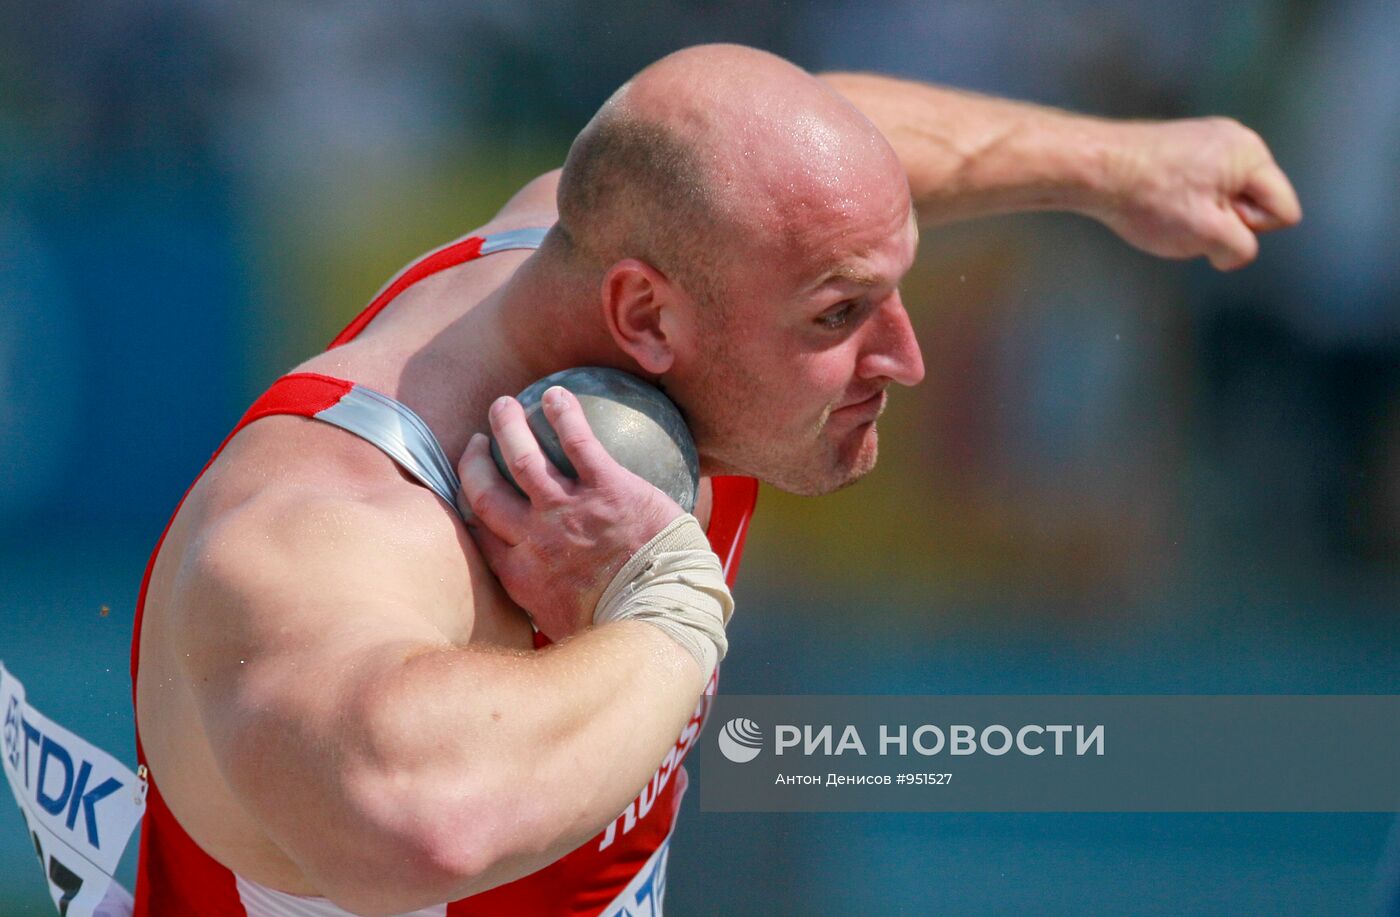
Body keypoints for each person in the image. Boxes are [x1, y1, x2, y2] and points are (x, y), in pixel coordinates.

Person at [130, 44, 1299, 916]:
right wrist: (669, 606)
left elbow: (837, 134)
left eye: (893, 287)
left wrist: (1118, 164)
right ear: (644, 312)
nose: (903, 355)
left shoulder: (611, 244)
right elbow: (419, 819)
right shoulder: (336, 520)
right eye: (839, 314)